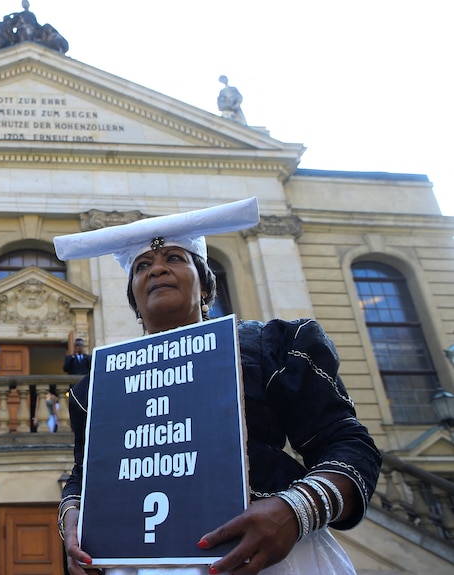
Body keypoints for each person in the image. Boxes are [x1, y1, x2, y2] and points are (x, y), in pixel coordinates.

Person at [52, 197, 380, 575]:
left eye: (174, 259)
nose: (157, 269)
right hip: (137, 563)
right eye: (143, 266)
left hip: (264, 557)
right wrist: (73, 517)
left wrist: (296, 509)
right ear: (136, 304)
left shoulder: (270, 346)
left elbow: (346, 442)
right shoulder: (98, 386)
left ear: (206, 288)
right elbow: (85, 473)